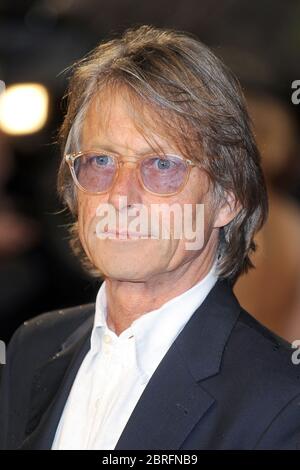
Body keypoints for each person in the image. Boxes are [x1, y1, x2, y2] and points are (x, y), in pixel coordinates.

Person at [0, 25, 299, 450]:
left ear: (228, 199)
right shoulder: (32, 349)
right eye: (101, 160)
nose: (120, 194)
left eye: (161, 165)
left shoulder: (283, 403)